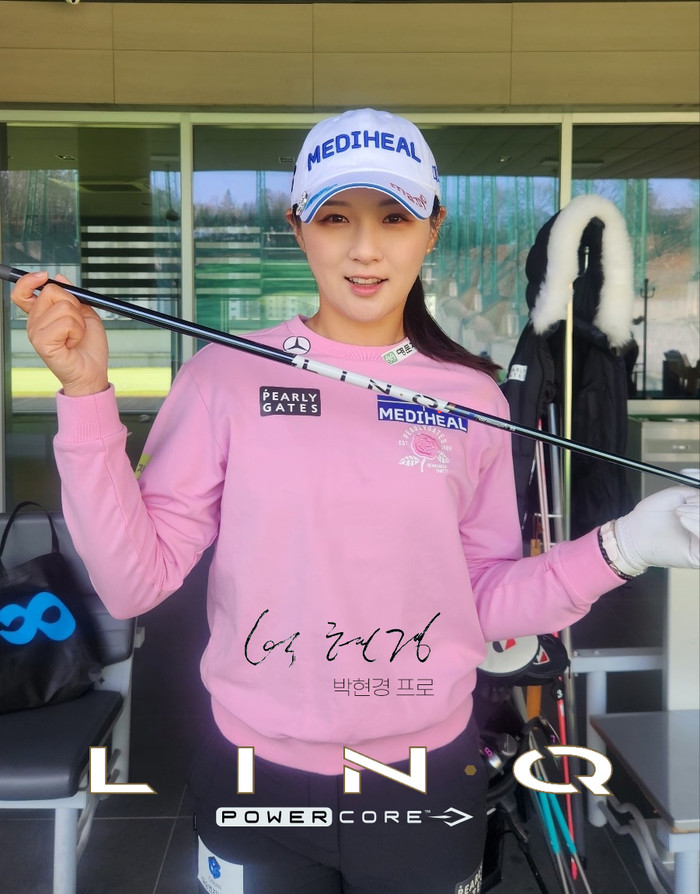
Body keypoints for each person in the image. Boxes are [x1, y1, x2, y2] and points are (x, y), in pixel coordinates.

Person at [10, 108, 699, 894]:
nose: (365, 249)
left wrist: (626, 547)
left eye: (395, 218)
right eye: (336, 217)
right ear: (298, 226)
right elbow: (134, 582)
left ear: (432, 230)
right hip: (255, 775)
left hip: (426, 779)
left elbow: (484, 602)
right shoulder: (222, 377)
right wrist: (86, 394)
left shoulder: (473, 398)